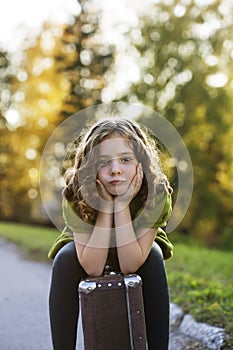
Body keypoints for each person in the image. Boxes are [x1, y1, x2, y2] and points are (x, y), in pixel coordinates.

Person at [48, 117, 174, 350]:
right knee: (64, 259)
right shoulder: (77, 192)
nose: (115, 169)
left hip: (135, 247)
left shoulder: (156, 193)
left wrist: (123, 204)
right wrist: (107, 206)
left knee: (154, 256)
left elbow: (129, 265)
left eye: (125, 159)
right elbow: (92, 268)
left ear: (141, 164)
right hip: (90, 247)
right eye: (104, 162)